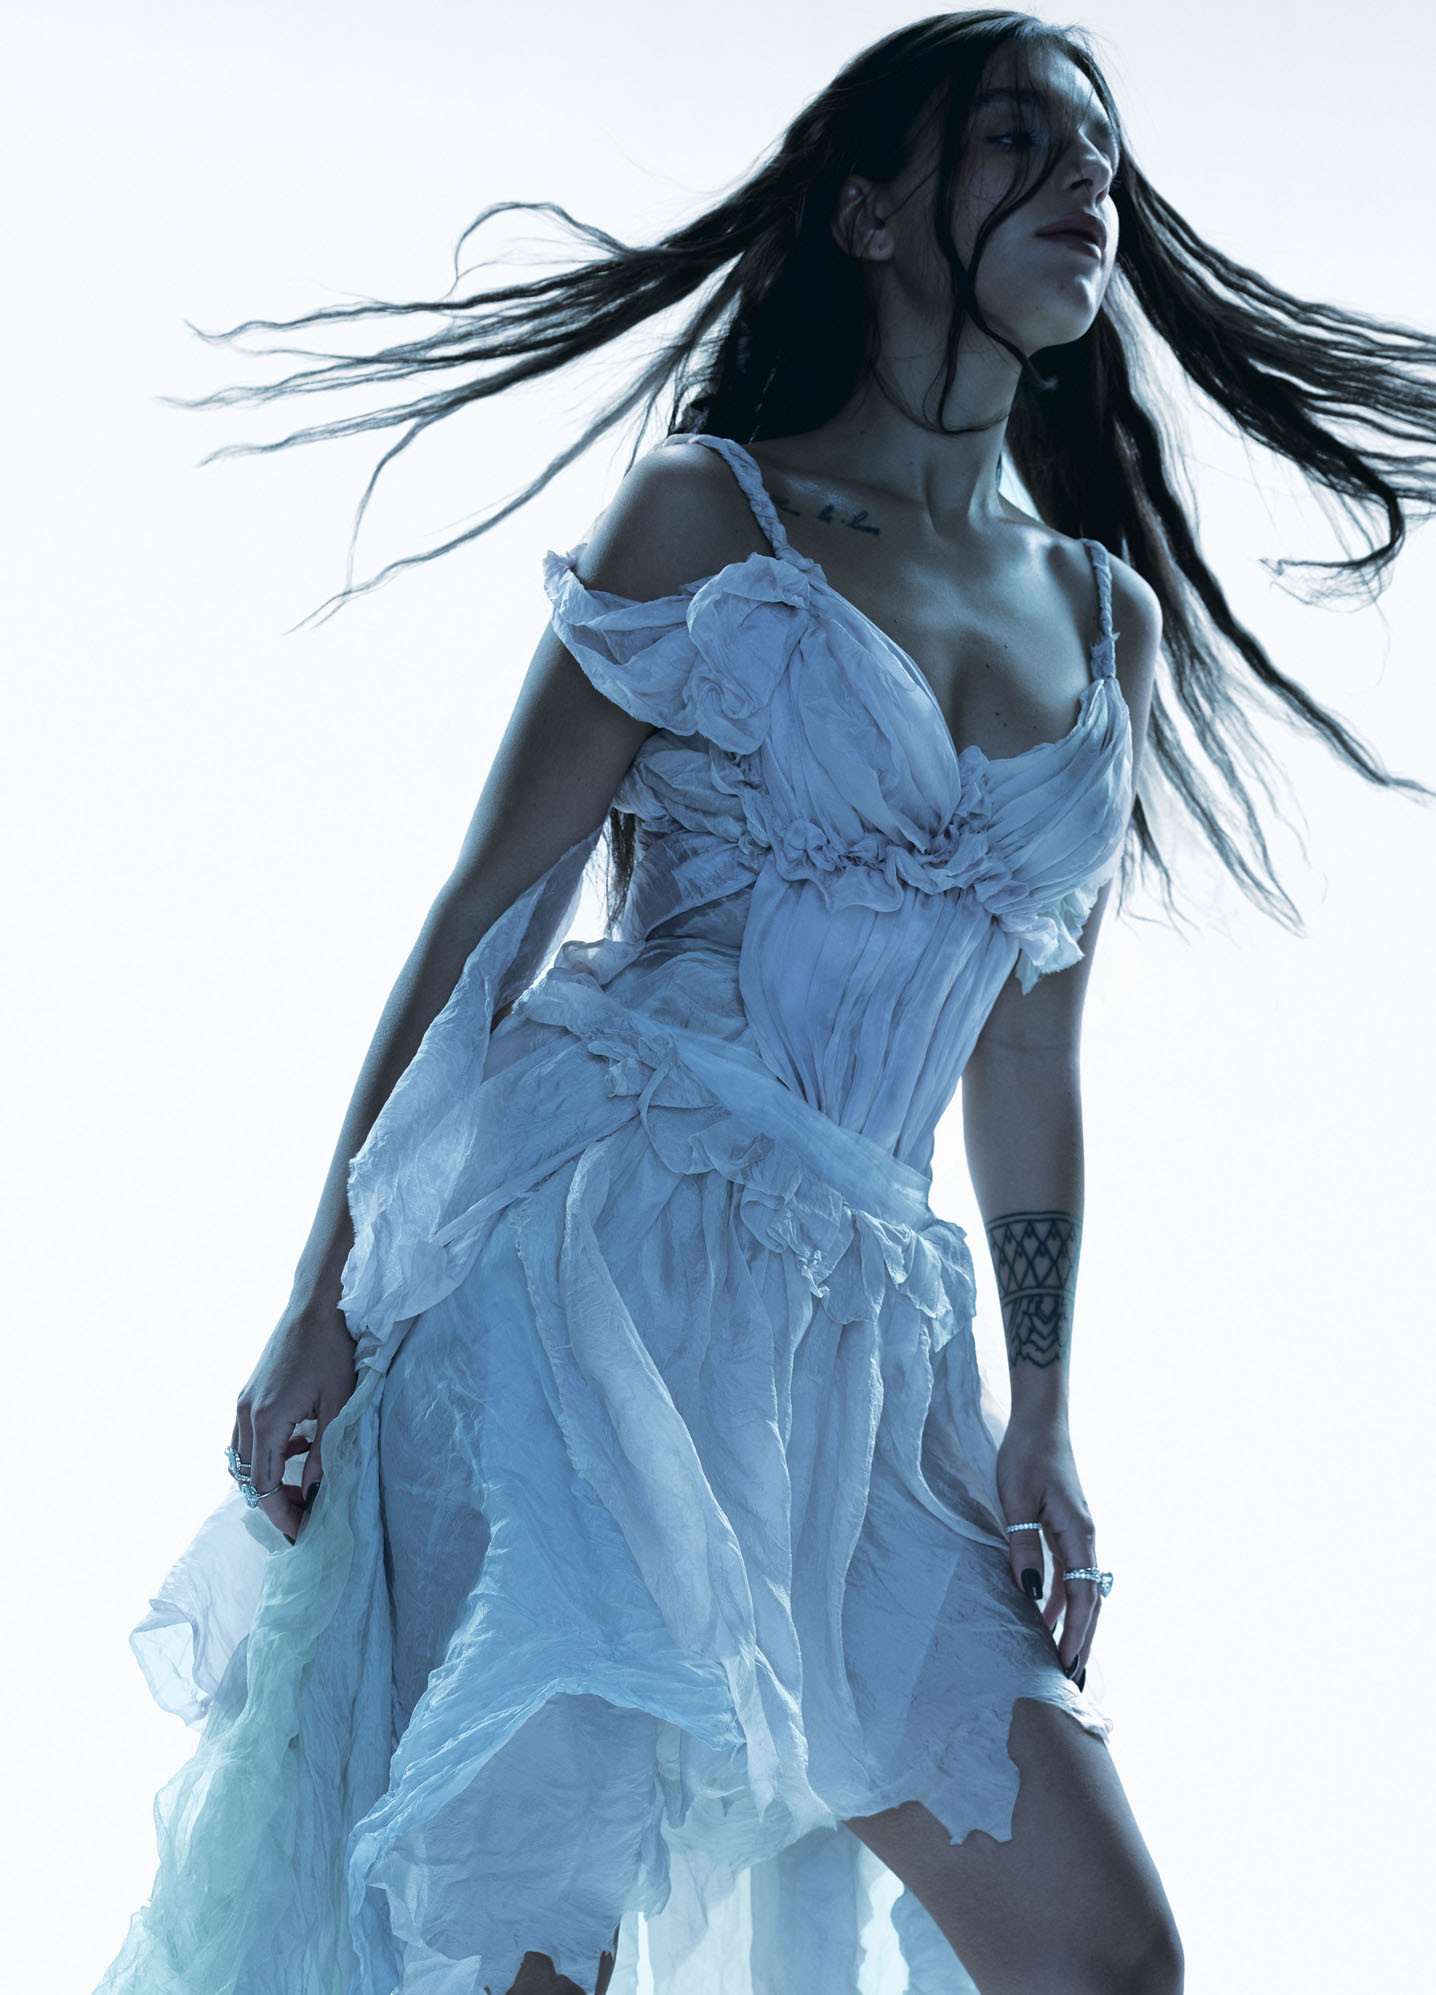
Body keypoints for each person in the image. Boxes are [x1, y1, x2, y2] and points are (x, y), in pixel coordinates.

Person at [95, 12, 1436, 1995]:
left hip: (865, 1356)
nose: (1085, 177)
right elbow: (490, 914)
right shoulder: (711, 517)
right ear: (871, 215)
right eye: (1018, 137)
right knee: (519, 1938)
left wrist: (1045, 1419)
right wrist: (320, 1293)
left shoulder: (1107, 622)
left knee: (1106, 1958)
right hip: (589, 1289)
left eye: (1100, 152)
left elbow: (1029, 1050)